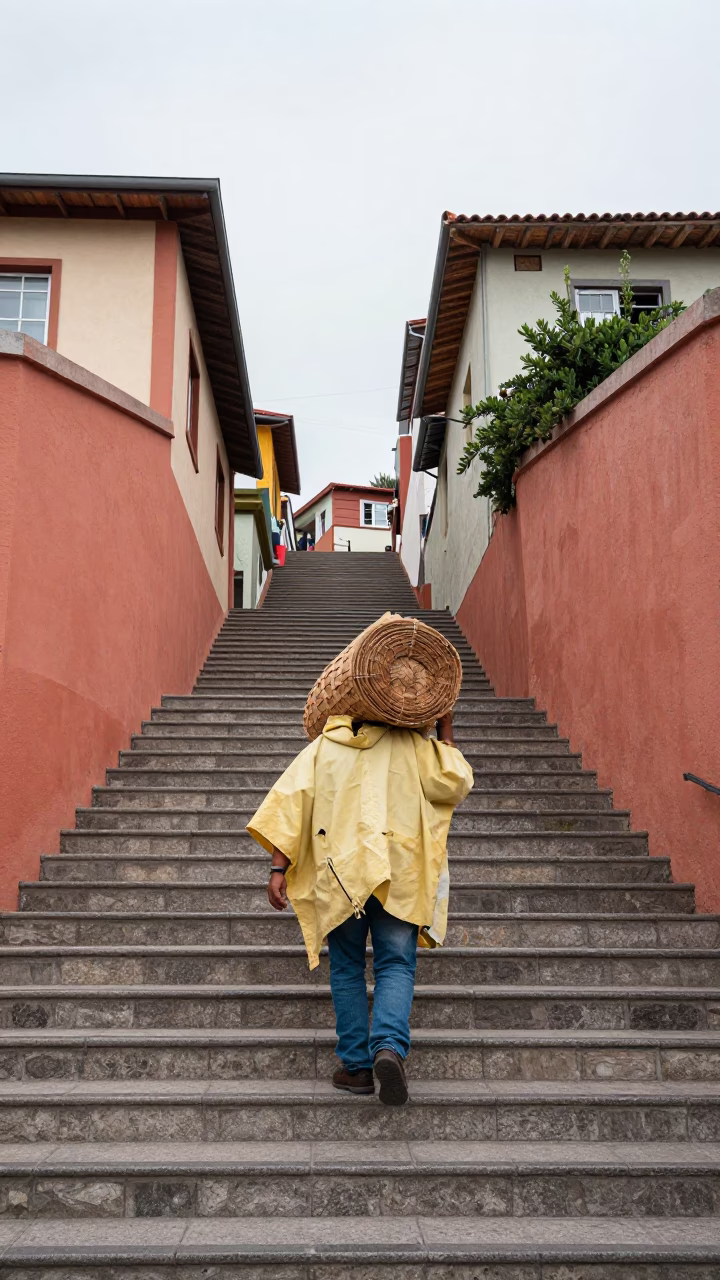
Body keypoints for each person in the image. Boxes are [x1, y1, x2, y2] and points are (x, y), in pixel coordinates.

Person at [246, 707, 472, 1105]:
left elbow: (288, 809)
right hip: (399, 871)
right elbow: (454, 782)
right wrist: (445, 727)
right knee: (395, 964)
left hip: (340, 874)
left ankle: (356, 1068)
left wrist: (277, 869)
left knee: (348, 966)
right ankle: (387, 1047)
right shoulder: (415, 747)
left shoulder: (322, 749)